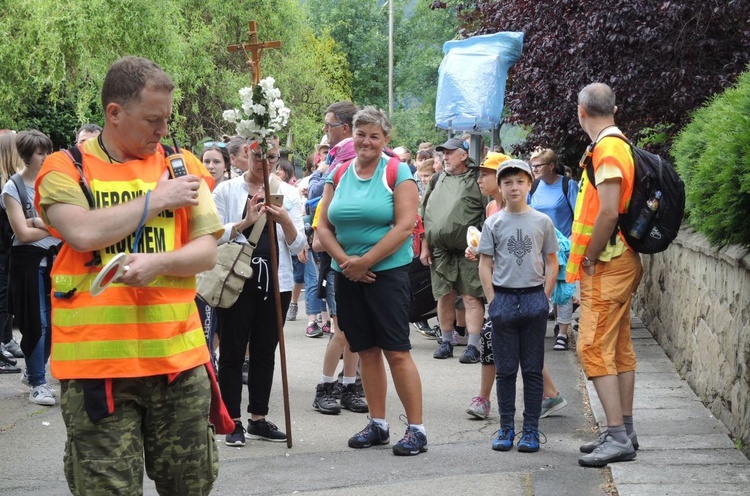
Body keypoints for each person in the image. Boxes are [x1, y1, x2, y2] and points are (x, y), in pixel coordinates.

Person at [36, 56, 223, 494]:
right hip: (97, 372)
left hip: (176, 364)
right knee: (107, 489)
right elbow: (80, 232)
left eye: (167, 120)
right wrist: (154, 201)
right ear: (114, 113)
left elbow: (207, 251)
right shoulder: (65, 168)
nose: (162, 130)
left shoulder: (183, 166)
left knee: (190, 485)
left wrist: (158, 264)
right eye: (152, 119)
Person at [317, 106, 427, 456]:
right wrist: (347, 262)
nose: (366, 141)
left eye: (374, 135)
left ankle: (417, 429)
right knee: (365, 350)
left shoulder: (398, 171)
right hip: (347, 274)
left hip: (386, 274)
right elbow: (323, 225)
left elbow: (405, 226)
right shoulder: (339, 172)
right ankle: (378, 424)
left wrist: (366, 261)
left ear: (385, 139)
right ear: (353, 135)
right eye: (360, 134)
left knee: (396, 350)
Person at [212, 135, 306, 447]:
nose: (263, 161)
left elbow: (300, 246)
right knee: (232, 351)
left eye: (271, 156)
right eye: (257, 154)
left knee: (266, 350)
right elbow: (213, 235)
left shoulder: (288, 193)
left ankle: (258, 418)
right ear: (244, 155)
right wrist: (245, 222)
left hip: (275, 280)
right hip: (235, 279)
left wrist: (285, 221)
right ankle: (231, 420)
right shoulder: (226, 190)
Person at [569, 83, 642, 468]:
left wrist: (591, 257)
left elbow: (609, 210)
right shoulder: (617, 144)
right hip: (620, 261)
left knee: (592, 346)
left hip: (608, 263)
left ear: (582, 111)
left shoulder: (608, 148)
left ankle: (617, 436)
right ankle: (623, 430)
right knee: (617, 347)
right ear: (614, 107)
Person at [477, 159, 559, 453]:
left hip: (533, 297)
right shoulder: (493, 222)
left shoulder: (542, 222)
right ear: (500, 187)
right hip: (504, 299)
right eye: (508, 182)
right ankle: (506, 427)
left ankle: (532, 430)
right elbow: (485, 264)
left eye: (520, 182)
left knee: (533, 369)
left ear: (529, 185)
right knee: (506, 369)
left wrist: (545, 297)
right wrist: (492, 299)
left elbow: (552, 261)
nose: (514, 188)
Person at [3, 130, 59, 401]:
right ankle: (38, 381)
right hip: (28, 264)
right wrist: (52, 226)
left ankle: (33, 371)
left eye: (48, 151)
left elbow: (71, 224)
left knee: (55, 322)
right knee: (38, 322)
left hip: (56, 261)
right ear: (26, 156)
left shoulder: (55, 182)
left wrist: (37, 222)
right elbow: (22, 235)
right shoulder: (13, 188)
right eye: (40, 153)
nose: (46, 157)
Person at [421, 137, 486, 364]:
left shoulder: (477, 178)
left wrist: (484, 250)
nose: (445, 156)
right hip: (440, 251)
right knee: (444, 296)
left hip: (469, 251)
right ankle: (447, 341)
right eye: (443, 153)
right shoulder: (437, 179)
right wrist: (425, 246)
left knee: (471, 297)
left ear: (463, 155)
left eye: (450, 152)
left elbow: (489, 214)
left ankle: (473, 346)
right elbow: (425, 215)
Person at [529, 148, 579, 352]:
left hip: (563, 245)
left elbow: (579, 216)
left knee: (564, 290)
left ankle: (562, 334)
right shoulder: (533, 187)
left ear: (551, 166)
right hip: (538, 245)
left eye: (538, 166)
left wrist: (571, 241)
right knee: (540, 288)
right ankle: (540, 326)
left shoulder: (568, 185)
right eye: (532, 166)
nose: (534, 170)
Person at [0, 133, 24, 368]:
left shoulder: (10, 179)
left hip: (7, 250)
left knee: (6, 296)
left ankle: (6, 339)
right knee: (2, 296)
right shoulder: (7, 185)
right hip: (3, 249)